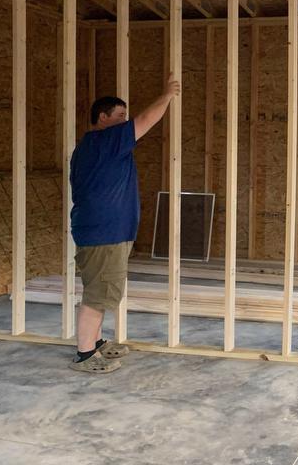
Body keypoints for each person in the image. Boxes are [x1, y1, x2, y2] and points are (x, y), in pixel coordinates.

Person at [68, 77, 180, 373]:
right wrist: (167, 94)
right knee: (98, 294)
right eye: (119, 116)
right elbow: (145, 120)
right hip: (103, 234)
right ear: (102, 118)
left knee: (102, 290)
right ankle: (84, 355)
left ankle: (95, 342)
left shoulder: (98, 146)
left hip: (105, 232)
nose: (125, 122)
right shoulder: (106, 140)